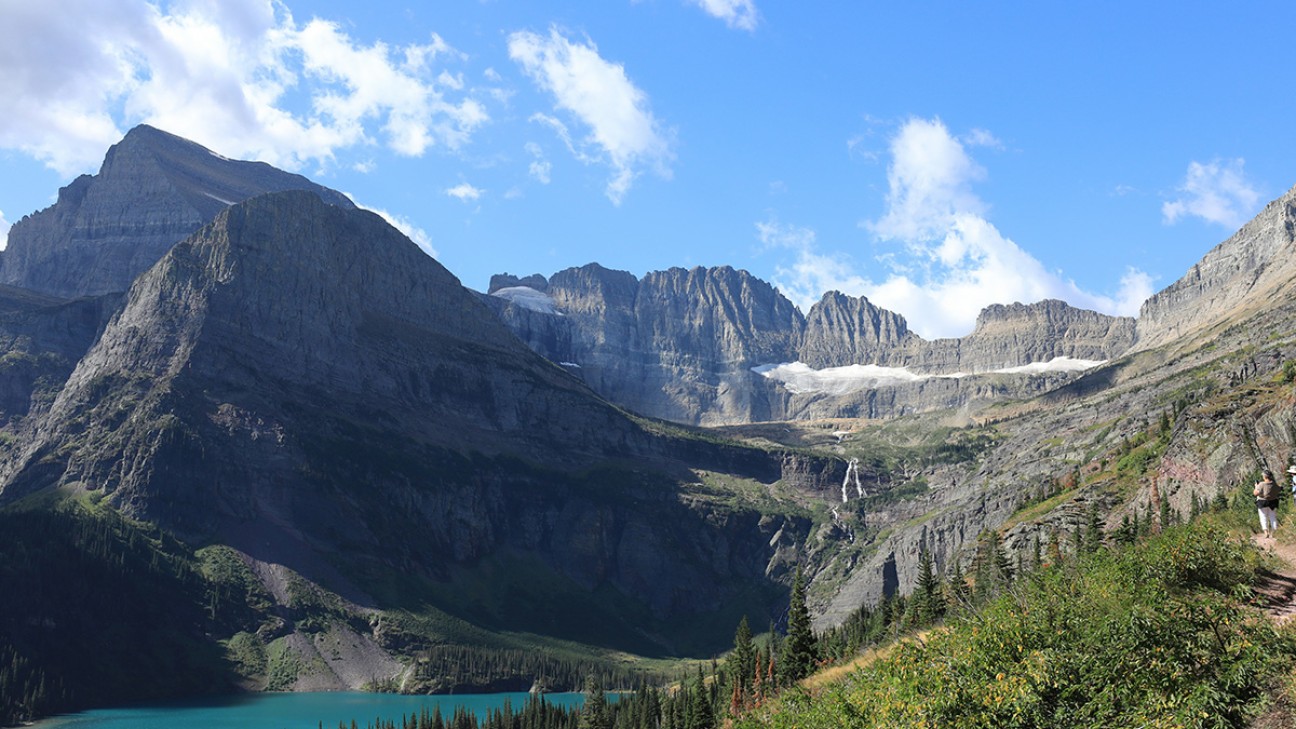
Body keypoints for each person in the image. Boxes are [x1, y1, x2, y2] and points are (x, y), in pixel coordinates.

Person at [1254, 470, 1280, 538]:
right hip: (1272, 502)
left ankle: (1266, 532)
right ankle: (1274, 532)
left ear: (1265, 476)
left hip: (1262, 502)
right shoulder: (1274, 483)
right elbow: (1278, 490)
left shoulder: (1261, 484)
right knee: (1273, 517)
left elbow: (1255, 493)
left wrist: (1256, 487)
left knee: (1263, 517)